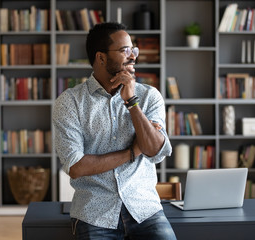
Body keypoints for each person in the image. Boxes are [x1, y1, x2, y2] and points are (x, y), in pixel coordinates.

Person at [53, 22, 176, 240]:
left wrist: (132, 103)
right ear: (101, 58)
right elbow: (76, 167)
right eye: (124, 50)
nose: (133, 56)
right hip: (94, 214)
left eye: (133, 50)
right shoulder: (70, 102)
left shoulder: (149, 96)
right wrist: (132, 152)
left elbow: (156, 151)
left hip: (144, 210)